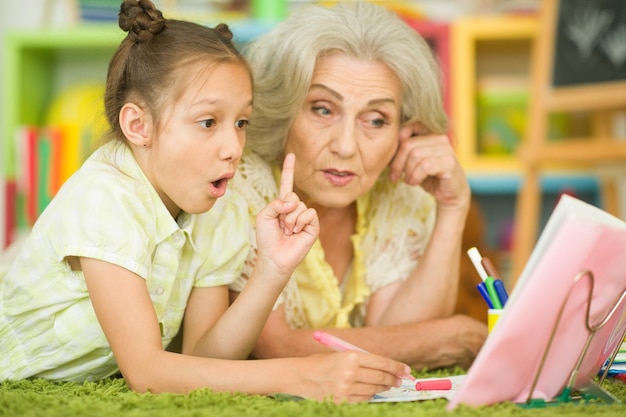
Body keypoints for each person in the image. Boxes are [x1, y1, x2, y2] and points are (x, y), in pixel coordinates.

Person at [0, 0, 413, 403]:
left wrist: (272, 271)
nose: (234, 146)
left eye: (240, 122)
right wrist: (301, 373)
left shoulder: (220, 208)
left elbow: (203, 357)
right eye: (208, 122)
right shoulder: (104, 198)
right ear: (138, 125)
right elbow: (147, 372)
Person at [229, 1, 488, 371]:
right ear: (283, 109)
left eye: (376, 120)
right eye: (322, 109)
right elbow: (274, 347)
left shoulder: (400, 191)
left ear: (405, 131)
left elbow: (402, 335)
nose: (346, 146)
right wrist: (450, 334)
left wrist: (452, 208)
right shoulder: (239, 185)